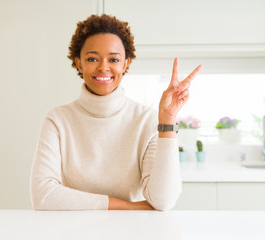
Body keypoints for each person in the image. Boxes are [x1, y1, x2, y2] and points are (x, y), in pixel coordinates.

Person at [30, 14, 202, 211]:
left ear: (125, 63)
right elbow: (43, 196)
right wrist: (128, 207)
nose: (103, 67)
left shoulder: (147, 120)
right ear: (79, 63)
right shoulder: (57, 120)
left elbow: (163, 201)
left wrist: (168, 121)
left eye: (114, 59)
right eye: (92, 58)